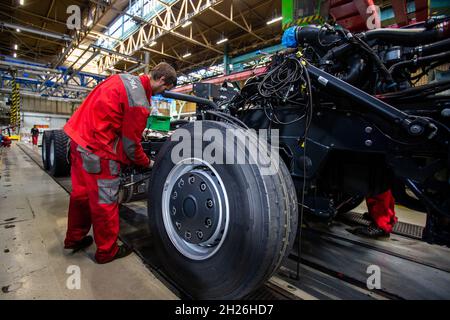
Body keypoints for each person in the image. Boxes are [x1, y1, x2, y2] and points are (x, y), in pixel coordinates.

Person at [63, 62, 177, 264]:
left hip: (78, 139)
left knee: (80, 195)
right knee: (105, 202)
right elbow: (131, 146)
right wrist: (148, 163)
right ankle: (107, 251)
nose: (161, 93)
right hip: (99, 150)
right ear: (161, 80)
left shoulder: (123, 79)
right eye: (164, 88)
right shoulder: (140, 102)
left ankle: (74, 238)